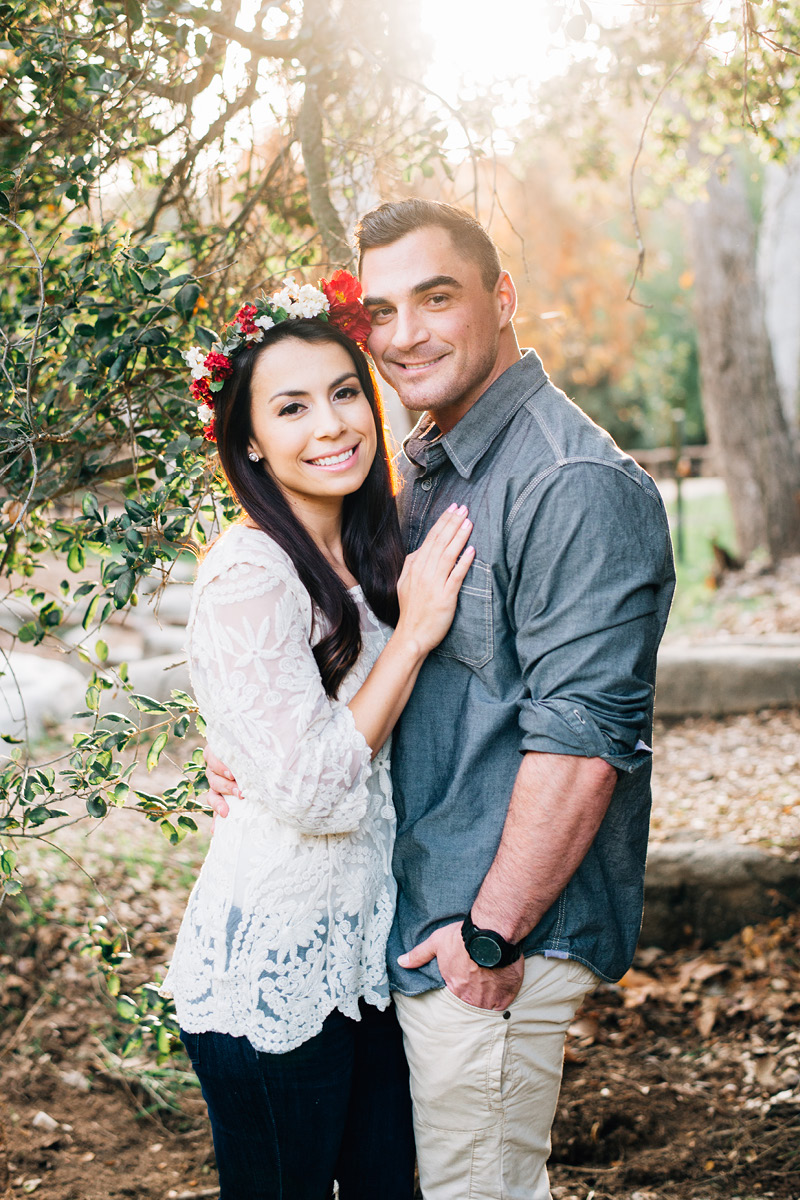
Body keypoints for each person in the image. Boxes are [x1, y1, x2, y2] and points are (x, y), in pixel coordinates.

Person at [206, 201, 677, 1200]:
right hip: (412, 927)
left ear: (501, 299)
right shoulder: (427, 464)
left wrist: (492, 935)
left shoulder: (568, 481)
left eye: (436, 297)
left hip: (490, 940)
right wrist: (255, 740)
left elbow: (584, 744)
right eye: (381, 309)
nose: (406, 332)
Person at [162, 271, 476, 1200]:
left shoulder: (371, 546)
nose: (332, 425)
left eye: (344, 393)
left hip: (367, 955)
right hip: (272, 972)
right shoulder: (251, 572)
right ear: (251, 441)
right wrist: (414, 636)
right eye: (292, 407)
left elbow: (297, 723)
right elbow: (316, 793)